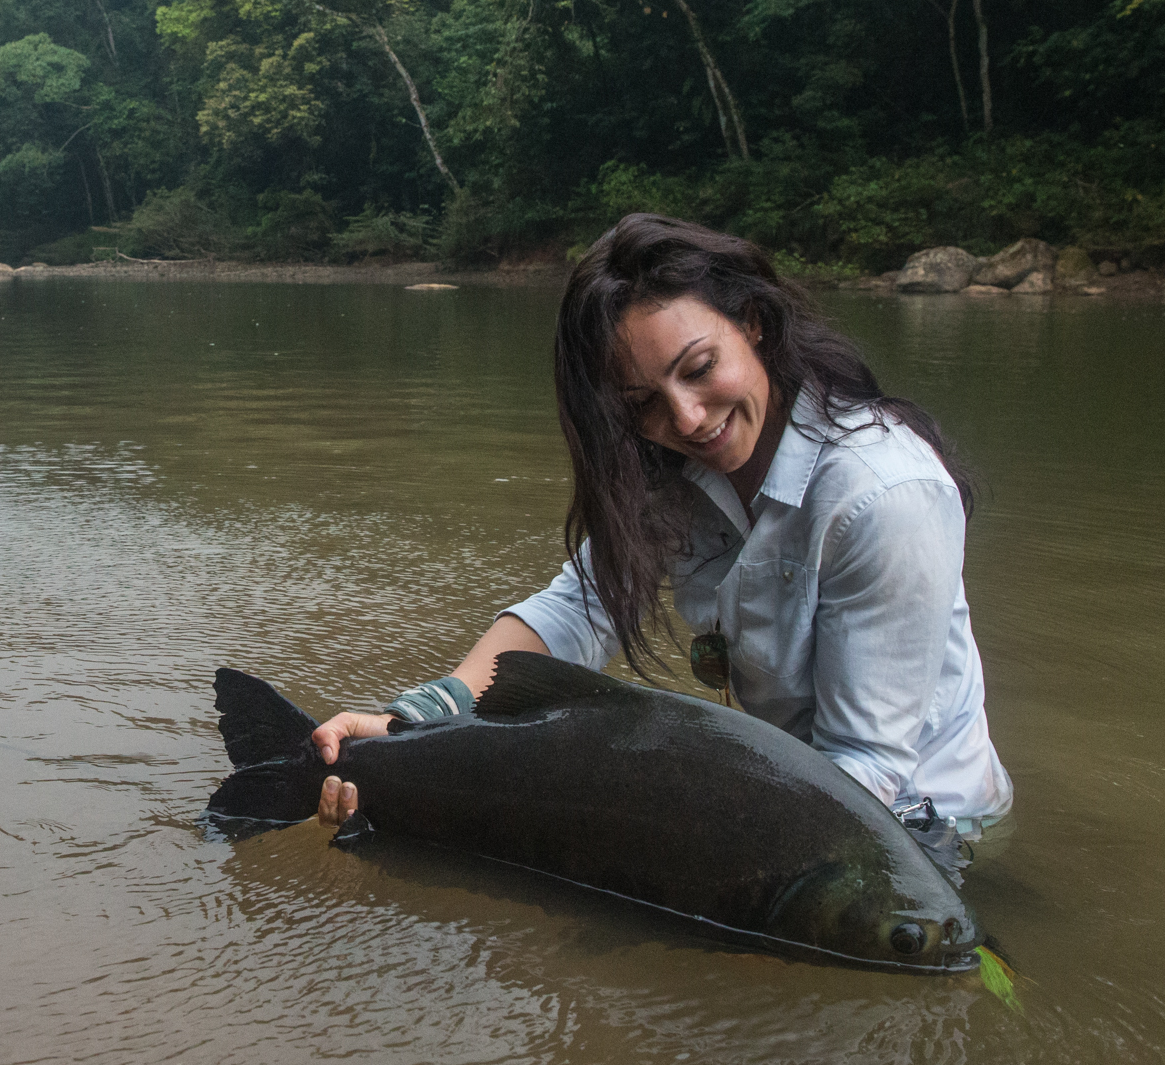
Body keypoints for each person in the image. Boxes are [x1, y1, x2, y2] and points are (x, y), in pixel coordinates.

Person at [313, 214, 1013, 848]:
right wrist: (416, 724)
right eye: (642, 403)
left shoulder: (882, 497)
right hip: (794, 790)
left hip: (922, 837)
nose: (685, 420)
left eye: (700, 369)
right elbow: (581, 606)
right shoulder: (675, 468)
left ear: (755, 323)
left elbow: (868, 767)